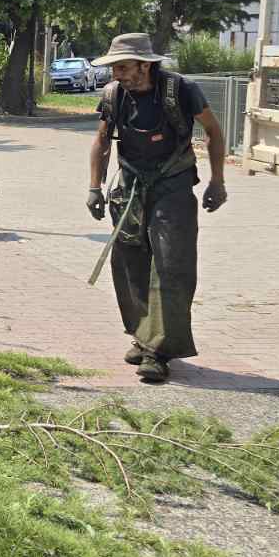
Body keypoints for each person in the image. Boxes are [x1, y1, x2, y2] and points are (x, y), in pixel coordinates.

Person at [87, 34, 227, 383]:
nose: (116, 74)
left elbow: (213, 131)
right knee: (130, 263)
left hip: (173, 186)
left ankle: (160, 351)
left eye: (122, 67)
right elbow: (102, 140)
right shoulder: (114, 95)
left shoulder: (181, 90)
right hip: (131, 187)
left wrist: (217, 181)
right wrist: (94, 187)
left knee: (170, 265)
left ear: (144, 65)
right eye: (114, 67)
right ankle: (143, 335)